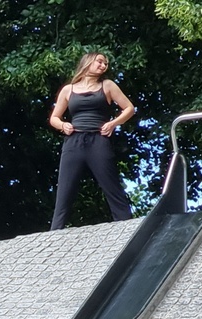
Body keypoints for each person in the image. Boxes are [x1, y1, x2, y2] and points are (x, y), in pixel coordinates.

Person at [48, 52, 136, 230]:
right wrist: (63, 125)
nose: (104, 66)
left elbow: (129, 108)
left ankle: (127, 228)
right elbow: (54, 118)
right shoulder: (69, 89)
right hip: (74, 141)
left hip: (98, 140)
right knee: (65, 189)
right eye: (100, 62)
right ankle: (54, 233)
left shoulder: (107, 85)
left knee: (111, 185)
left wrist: (113, 124)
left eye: (106, 64)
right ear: (88, 62)